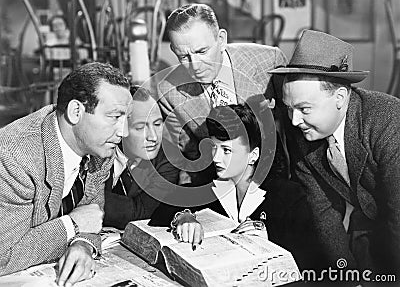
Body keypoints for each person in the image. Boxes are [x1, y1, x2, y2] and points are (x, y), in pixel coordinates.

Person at [271, 30, 400, 277]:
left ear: (340, 97)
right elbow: (323, 213)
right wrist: (347, 277)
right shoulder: (304, 131)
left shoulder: (389, 122)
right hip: (370, 230)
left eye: (304, 109)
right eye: (289, 109)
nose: (295, 120)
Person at [0, 62, 132, 286]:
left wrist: (82, 243)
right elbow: (4, 255)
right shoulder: (15, 156)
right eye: (114, 117)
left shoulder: (101, 149)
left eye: (126, 118)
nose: (124, 131)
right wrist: (72, 225)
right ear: (76, 111)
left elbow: (92, 212)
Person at [153, 104, 321, 270]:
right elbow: (163, 210)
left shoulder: (288, 195)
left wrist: (269, 239)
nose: (216, 158)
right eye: (213, 147)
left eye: (227, 150)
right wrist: (184, 217)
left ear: (253, 156)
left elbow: (310, 260)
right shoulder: (208, 186)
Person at [155, 3, 289, 187]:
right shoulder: (169, 92)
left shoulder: (269, 62)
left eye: (202, 51)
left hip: (278, 175)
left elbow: (295, 130)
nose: (195, 66)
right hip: (219, 182)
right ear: (173, 50)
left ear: (221, 39)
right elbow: (193, 158)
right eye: (183, 57)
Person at [103, 86, 180, 229]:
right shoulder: (97, 151)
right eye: (140, 128)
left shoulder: (168, 157)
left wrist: (92, 201)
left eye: (157, 124)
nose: (153, 137)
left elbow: (141, 213)